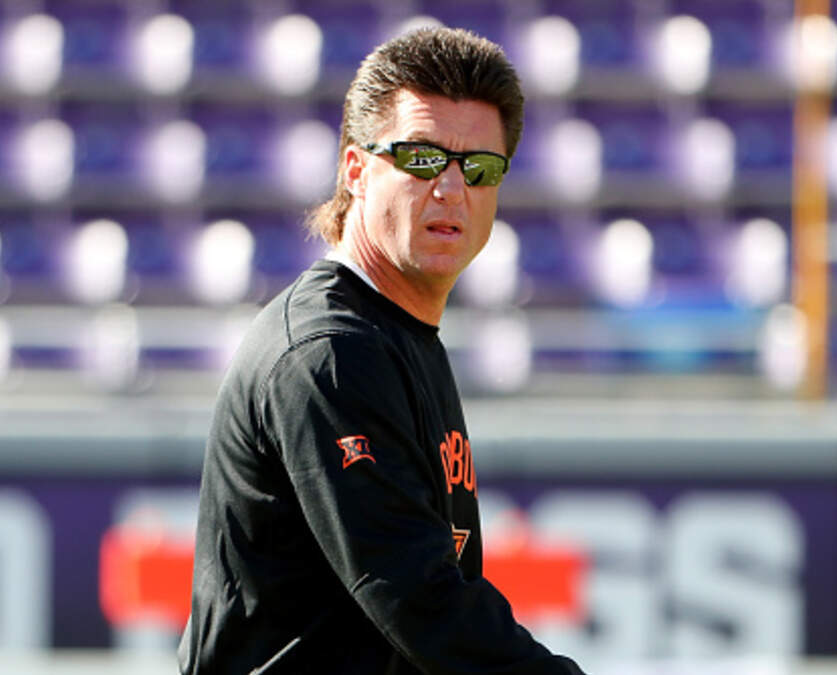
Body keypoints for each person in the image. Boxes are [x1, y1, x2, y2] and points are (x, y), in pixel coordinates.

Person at [178, 27, 585, 674]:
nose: (451, 189)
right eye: (422, 158)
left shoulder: (397, 333)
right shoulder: (331, 352)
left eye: (479, 168)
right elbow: (420, 601)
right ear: (356, 170)